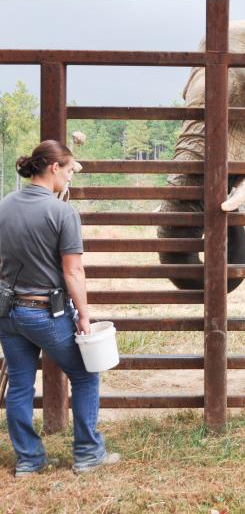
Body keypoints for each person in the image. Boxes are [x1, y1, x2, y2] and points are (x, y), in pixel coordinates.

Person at [0, 140, 119, 476]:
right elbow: (73, 270)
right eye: (68, 171)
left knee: (21, 384)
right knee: (84, 375)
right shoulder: (62, 212)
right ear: (53, 167)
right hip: (45, 313)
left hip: (8, 313)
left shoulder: (4, 205)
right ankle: (87, 453)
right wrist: (83, 314)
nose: (70, 179)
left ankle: (28, 460)